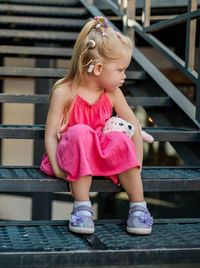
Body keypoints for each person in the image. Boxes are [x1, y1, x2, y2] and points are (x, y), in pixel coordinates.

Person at [40, 16, 153, 235]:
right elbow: (51, 135)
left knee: (120, 137)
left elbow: (133, 126)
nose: (124, 76)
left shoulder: (113, 93)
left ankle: (138, 207)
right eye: (120, 70)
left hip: (100, 154)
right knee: (81, 132)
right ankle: (82, 208)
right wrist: (57, 168)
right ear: (98, 68)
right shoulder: (64, 92)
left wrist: (135, 165)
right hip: (72, 155)